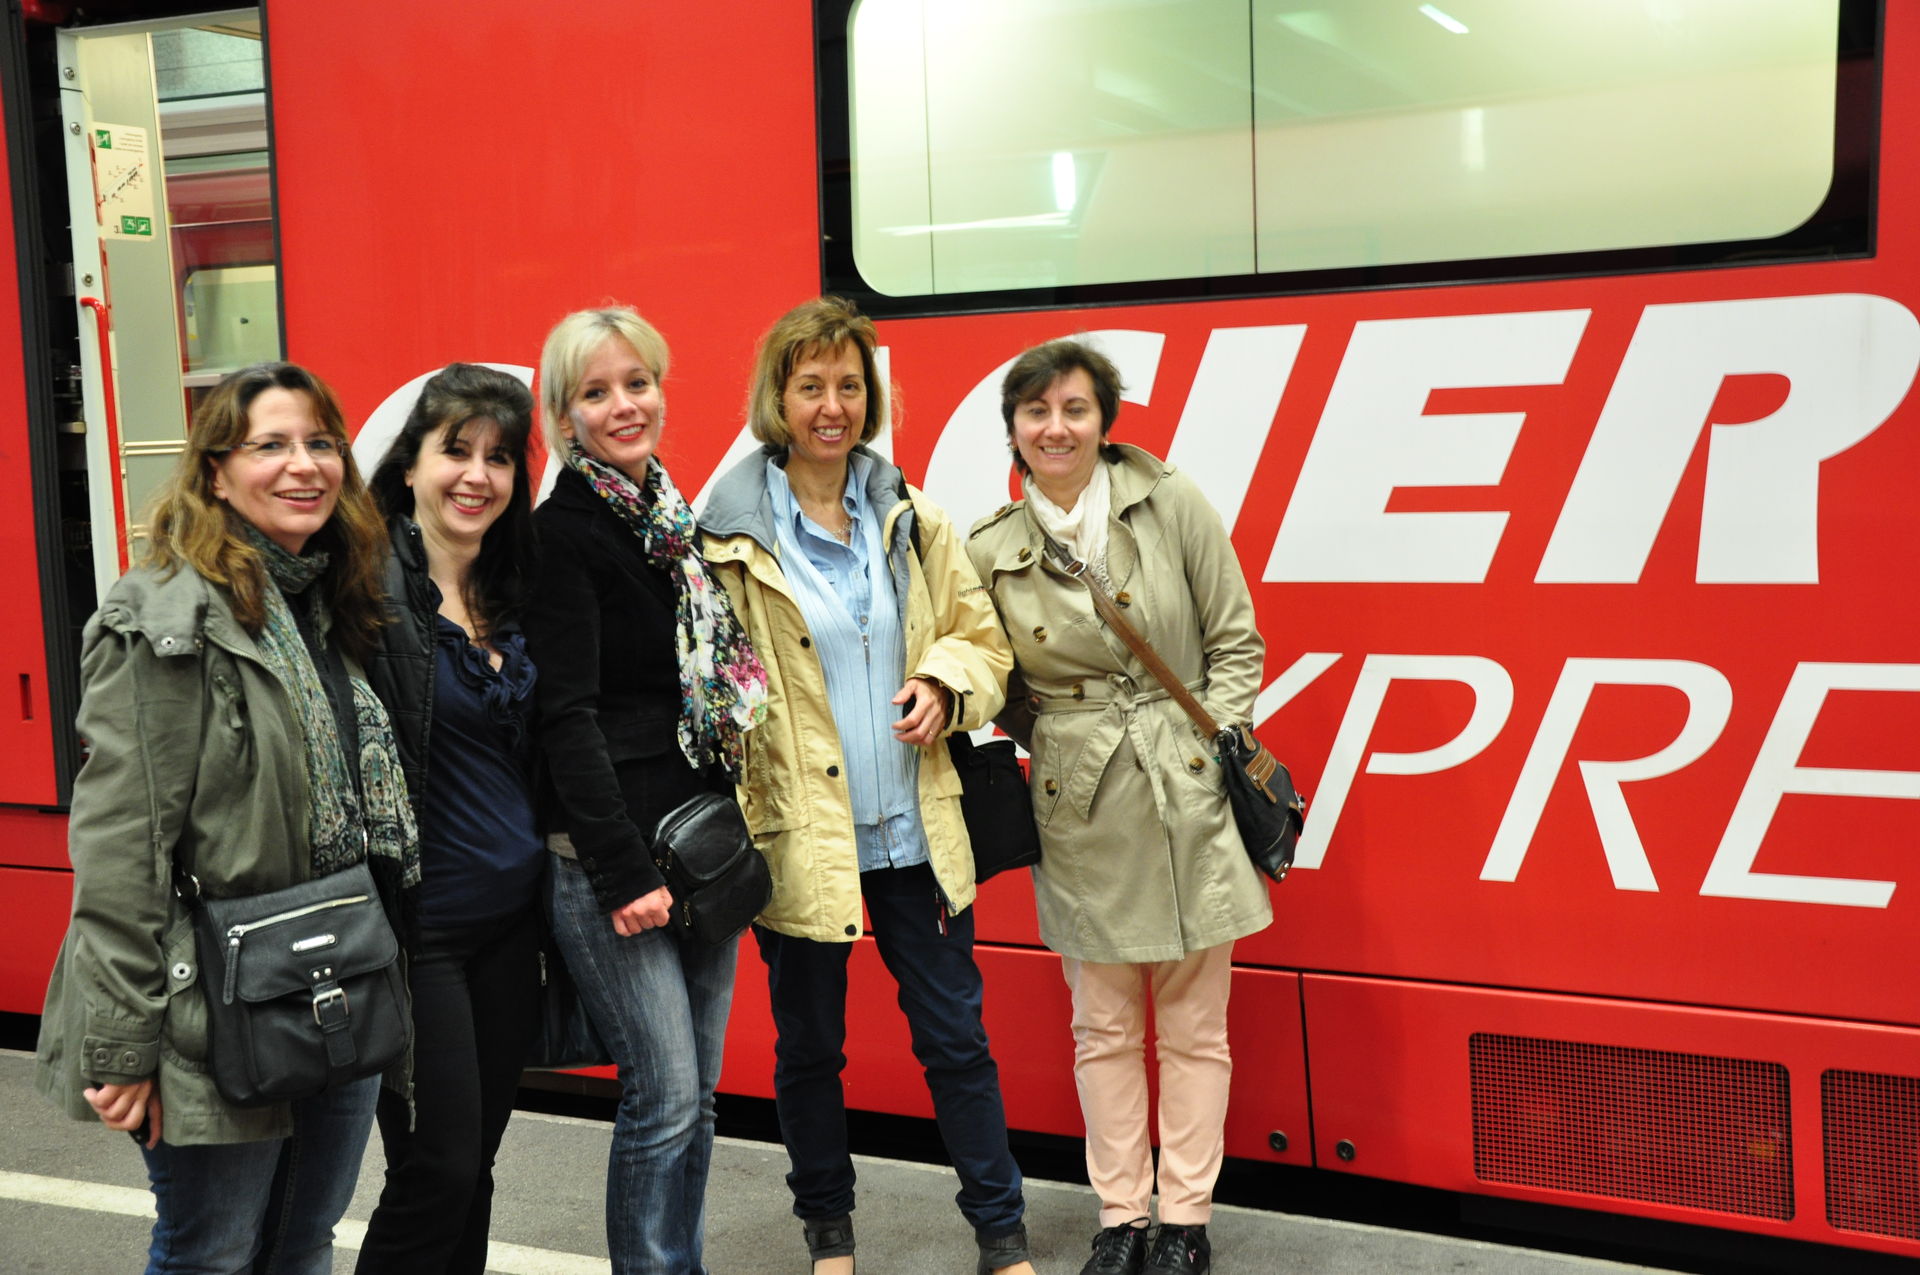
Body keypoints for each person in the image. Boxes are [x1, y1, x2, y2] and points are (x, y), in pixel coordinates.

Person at [33, 362, 413, 1275]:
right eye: (270, 444)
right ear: (216, 472)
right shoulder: (162, 619)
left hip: (332, 974)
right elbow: (123, 848)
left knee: (303, 1241)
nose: (303, 465)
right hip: (206, 1000)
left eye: (320, 442)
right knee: (213, 1252)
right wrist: (125, 1045)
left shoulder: (331, 602)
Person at [700, 295, 1035, 1275]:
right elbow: (712, 691)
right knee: (810, 1052)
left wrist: (944, 683)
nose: (832, 406)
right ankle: (830, 1240)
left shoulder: (911, 518)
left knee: (957, 1043)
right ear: (778, 399)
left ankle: (1002, 1238)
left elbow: (983, 644)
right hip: (804, 839)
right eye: (811, 386)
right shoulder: (725, 542)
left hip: (916, 836)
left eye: (849, 385)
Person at [966, 339, 1272, 1275]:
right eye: (1036, 411)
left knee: (1194, 1026)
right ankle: (1121, 1216)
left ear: (1105, 421)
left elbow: (1237, 642)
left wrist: (1201, 745)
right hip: (1082, 804)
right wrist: (1068, 740)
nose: (1055, 428)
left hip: (1188, 791)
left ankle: (1185, 1222)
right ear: (1014, 429)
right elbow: (998, 682)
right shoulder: (991, 548)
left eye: (1075, 408)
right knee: (1101, 1026)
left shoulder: (1169, 501)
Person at [524, 307, 768, 1275]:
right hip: (612, 864)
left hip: (698, 846)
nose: (625, 405)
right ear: (564, 417)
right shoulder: (562, 536)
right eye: (597, 392)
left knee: (697, 1098)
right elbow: (567, 720)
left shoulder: (670, 523)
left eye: (638, 383)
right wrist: (625, 873)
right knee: (661, 1097)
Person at [357, 364, 544, 1273]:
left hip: (509, 929)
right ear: (410, 466)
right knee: (435, 1168)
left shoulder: (514, 591)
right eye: (456, 451)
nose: (477, 475)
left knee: (475, 1170)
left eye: (498, 457)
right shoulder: (365, 591)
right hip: (417, 931)